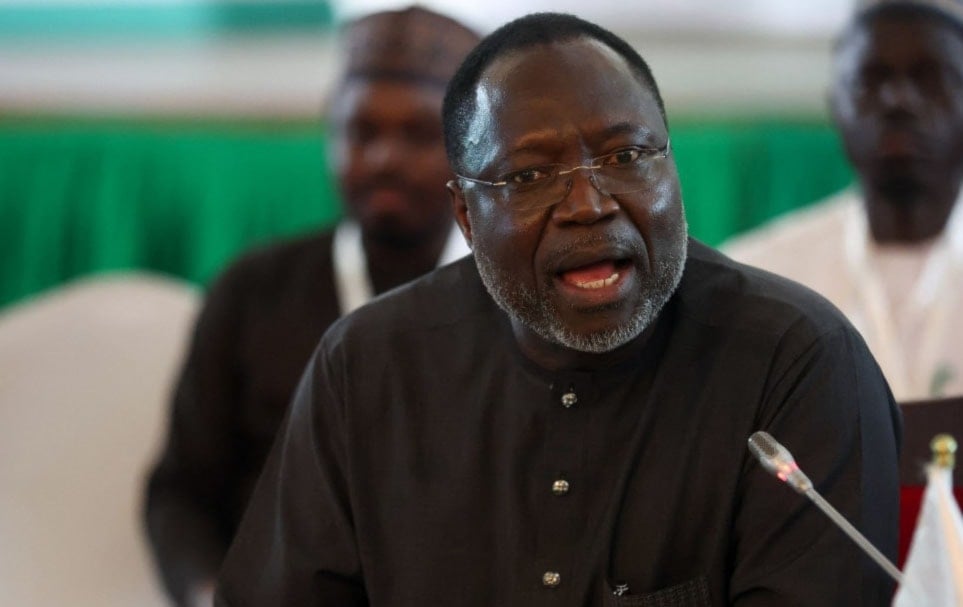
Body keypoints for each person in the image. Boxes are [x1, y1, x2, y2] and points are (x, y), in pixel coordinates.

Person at [215, 12, 901, 606]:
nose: (588, 204)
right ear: (464, 213)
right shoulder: (365, 367)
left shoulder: (796, 364)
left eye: (626, 154)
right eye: (528, 176)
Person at [143, 8, 480, 607]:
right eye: (361, 131)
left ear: (471, 149)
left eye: (417, 134)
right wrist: (205, 593)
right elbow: (180, 492)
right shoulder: (253, 290)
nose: (382, 159)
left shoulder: (511, 295)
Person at [723, 0, 963, 401]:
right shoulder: (759, 282)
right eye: (871, 79)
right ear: (836, 106)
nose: (898, 100)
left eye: (930, 78)